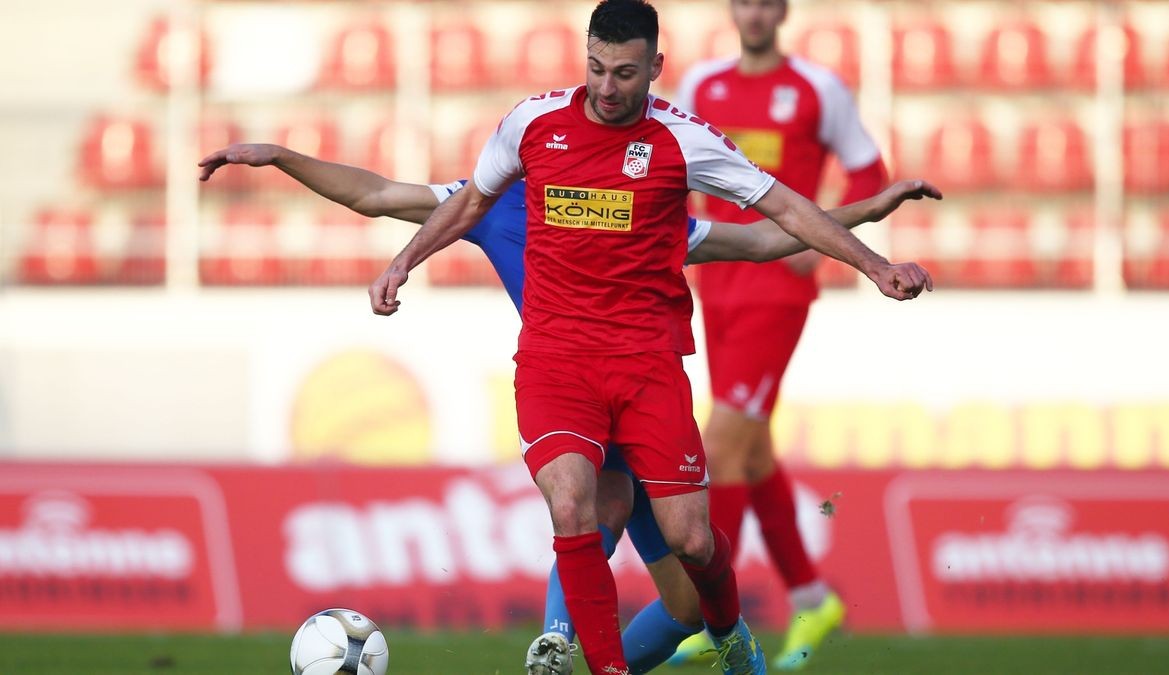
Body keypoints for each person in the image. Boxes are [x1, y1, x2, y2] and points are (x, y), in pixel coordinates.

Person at [198, 140, 939, 674]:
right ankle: (557, 641)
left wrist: (871, 209)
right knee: (586, 503)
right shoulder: (489, 202)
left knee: (685, 595)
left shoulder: (626, 215)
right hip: (572, 387)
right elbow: (376, 194)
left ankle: (688, 639)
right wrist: (283, 158)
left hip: (642, 386)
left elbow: (764, 236)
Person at [367, 1, 931, 672]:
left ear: (656, 68)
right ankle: (594, 659)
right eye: (597, 69)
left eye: (626, 73)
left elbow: (777, 210)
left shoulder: (683, 140)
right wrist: (404, 260)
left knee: (692, 537)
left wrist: (873, 263)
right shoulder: (532, 123)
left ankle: (730, 632)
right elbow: (467, 202)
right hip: (556, 361)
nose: (608, 88)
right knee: (574, 503)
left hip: (646, 365)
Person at [671, 0, 888, 668]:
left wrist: (817, 242)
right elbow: (673, 172)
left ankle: (715, 619)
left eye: (767, 1)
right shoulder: (700, 85)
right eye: (744, 1)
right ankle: (813, 595)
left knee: (724, 445)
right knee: (752, 447)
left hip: (777, 292)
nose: (755, 12)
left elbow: (869, 172)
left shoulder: (818, 89)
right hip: (719, 281)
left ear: (783, 11)